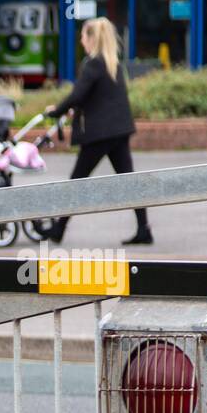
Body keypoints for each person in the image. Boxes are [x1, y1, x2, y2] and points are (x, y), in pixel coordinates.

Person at [42, 17, 152, 245]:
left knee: (76, 181)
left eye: (83, 36)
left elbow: (78, 95)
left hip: (101, 133)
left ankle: (59, 228)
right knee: (129, 180)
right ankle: (144, 229)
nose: (81, 41)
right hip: (118, 130)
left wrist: (56, 111)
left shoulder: (93, 63)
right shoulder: (112, 63)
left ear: (91, 38)